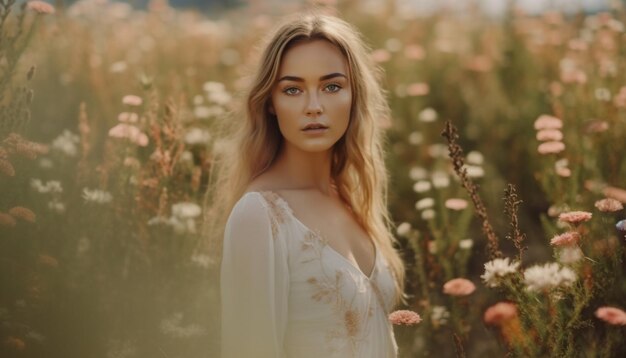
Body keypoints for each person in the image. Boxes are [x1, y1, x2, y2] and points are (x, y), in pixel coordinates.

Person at [205, 12, 406, 358]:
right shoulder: (260, 215)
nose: (314, 107)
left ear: (353, 94)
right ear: (270, 102)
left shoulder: (349, 198)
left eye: (331, 86)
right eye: (293, 89)